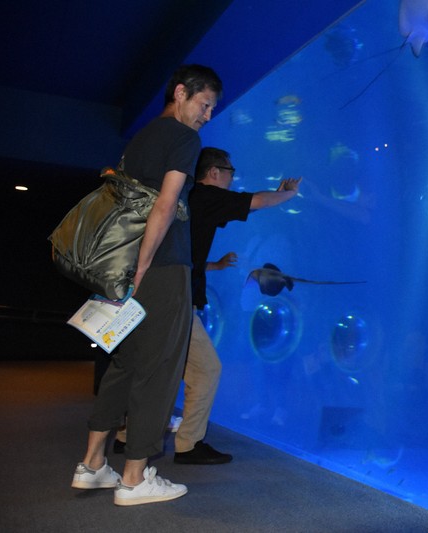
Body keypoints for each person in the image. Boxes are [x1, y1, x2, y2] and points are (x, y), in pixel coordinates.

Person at [70, 64, 223, 506]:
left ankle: (92, 464)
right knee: (159, 371)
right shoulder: (183, 139)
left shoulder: (139, 139)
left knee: (125, 365)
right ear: (180, 93)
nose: (207, 115)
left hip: (124, 268)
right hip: (160, 267)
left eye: (212, 108)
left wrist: (128, 272)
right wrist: (143, 267)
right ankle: (134, 478)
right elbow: (165, 205)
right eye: (204, 104)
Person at [173, 147, 301, 464]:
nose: (233, 178)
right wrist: (286, 194)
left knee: (159, 368)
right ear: (214, 172)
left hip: (167, 295)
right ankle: (188, 445)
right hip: (177, 302)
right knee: (206, 369)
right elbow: (254, 201)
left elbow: (181, 251)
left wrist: (213, 266)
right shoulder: (206, 195)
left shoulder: (186, 197)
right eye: (230, 172)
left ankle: (125, 436)